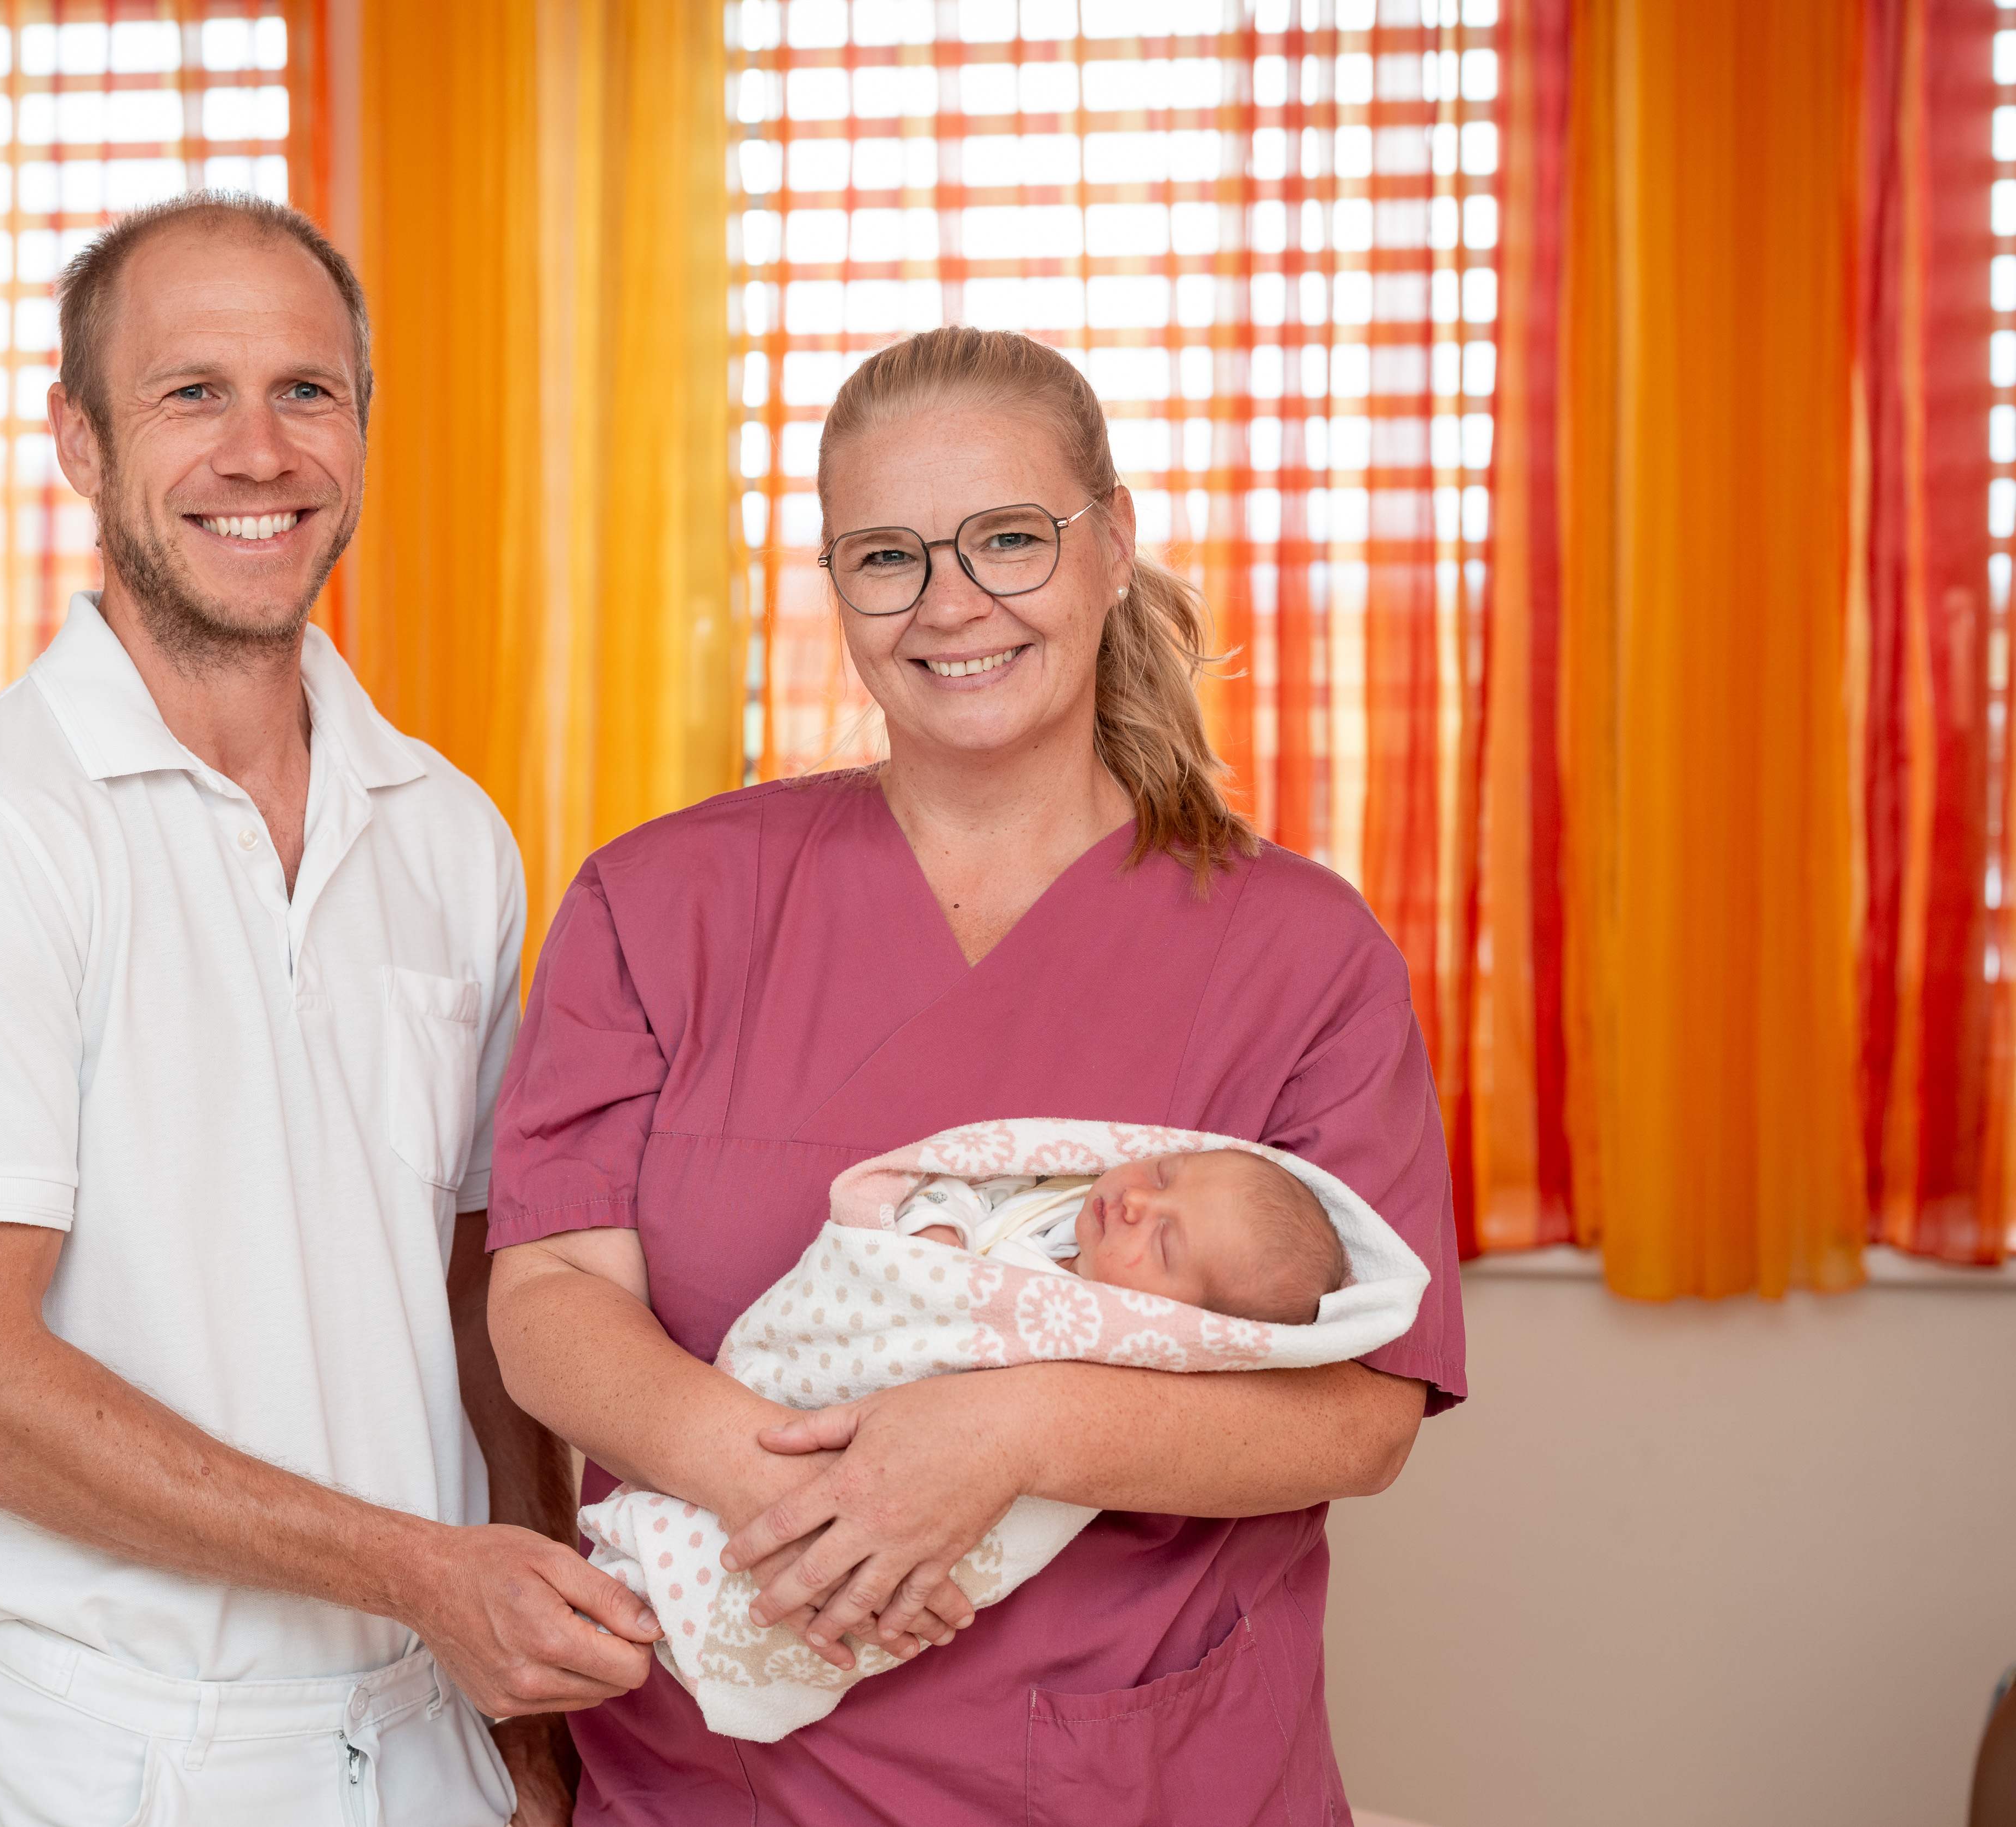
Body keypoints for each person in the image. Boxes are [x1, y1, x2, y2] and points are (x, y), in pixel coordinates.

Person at [485, 326, 1465, 1823]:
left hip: (1139, 1777)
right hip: (720, 1775)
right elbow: (551, 1292)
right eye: (887, 557)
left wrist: (1012, 1431)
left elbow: (1364, 1415)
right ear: (837, 587)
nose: (950, 604)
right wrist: (783, 1488)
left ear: (1112, 542)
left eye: (1009, 538)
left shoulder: (1300, 951)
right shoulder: (662, 903)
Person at [0, 194, 656, 1827]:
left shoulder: (447, 832)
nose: (258, 451)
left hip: (437, 1721)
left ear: (361, 429)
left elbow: (475, 1287)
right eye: (190, 392)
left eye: (305, 391)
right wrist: (422, 1571)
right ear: (78, 438)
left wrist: (532, 1694)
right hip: (127, 1753)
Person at [898, 1145, 1347, 1326]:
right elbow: (964, 1190)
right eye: (1162, 1174)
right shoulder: (1061, 1196)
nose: (1136, 1199)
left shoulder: (1075, 1331)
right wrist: (938, 1230)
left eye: (1163, 1240)